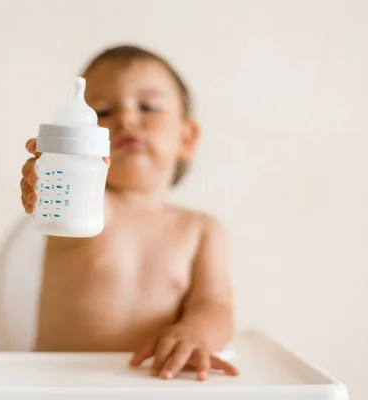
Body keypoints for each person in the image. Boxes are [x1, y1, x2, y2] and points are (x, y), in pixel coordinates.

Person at [15, 44, 238, 381]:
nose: (126, 119)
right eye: (102, 112)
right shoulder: (87, 207)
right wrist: (49, 171)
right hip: (61, 383)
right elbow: (64, 198)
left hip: (150, 383)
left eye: (148, 106)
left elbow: (216, 307)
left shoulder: (200, 229)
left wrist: (195, 333)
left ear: (187, 137)